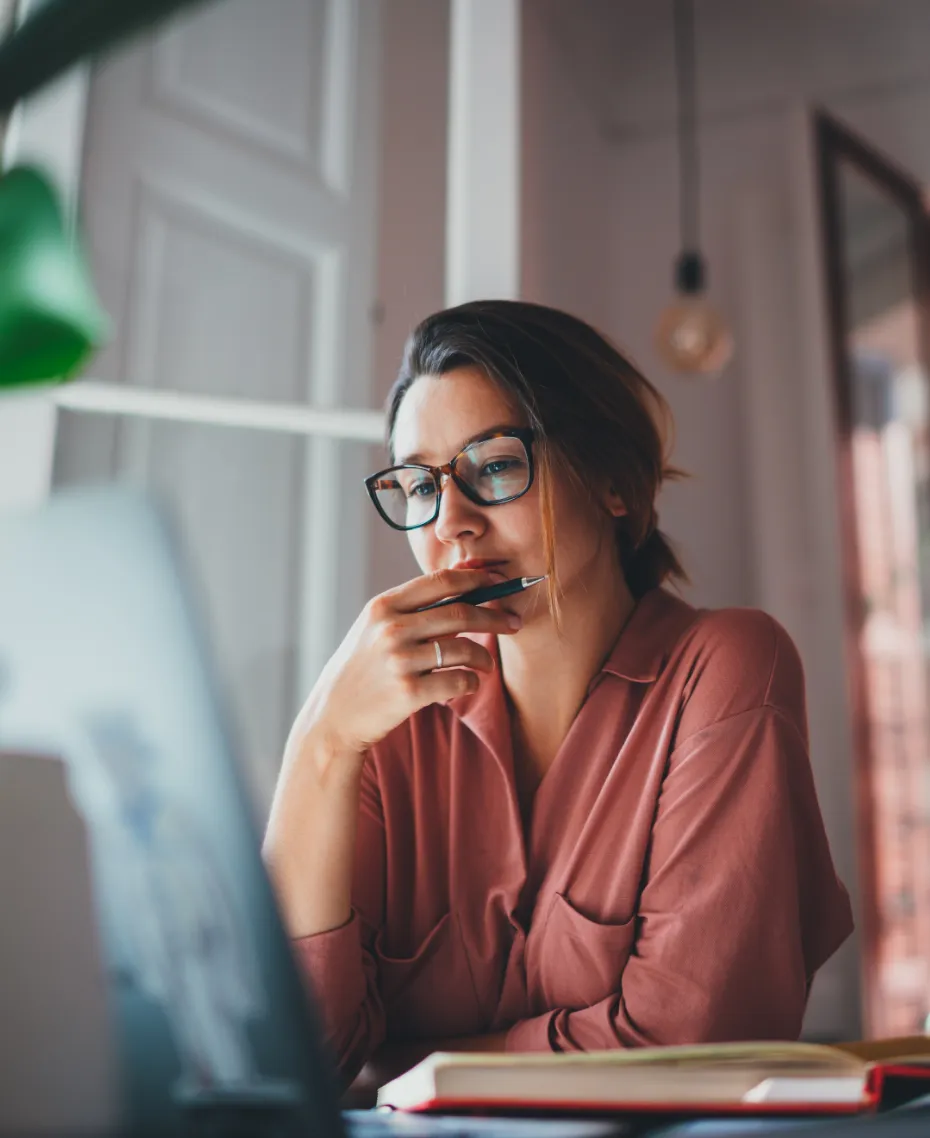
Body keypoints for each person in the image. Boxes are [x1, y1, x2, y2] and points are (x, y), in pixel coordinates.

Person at [263, 300, 854, 1093]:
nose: (454, 527)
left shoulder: (725, 668)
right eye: (419, 486)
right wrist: (321, 744)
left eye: (495, 465)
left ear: (612, 480)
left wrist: (402, 1068)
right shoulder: (383, 728)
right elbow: (290, 1060)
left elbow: (690, 1044)